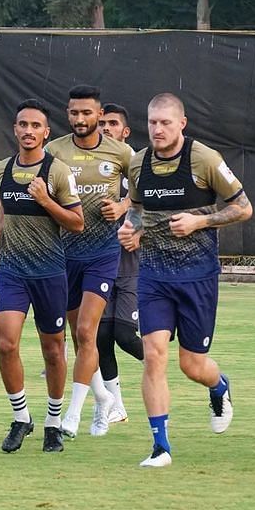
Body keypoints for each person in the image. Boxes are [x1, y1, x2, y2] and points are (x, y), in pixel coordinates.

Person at [118, 93, 251, 467]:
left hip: (197, 277)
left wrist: (200, 221)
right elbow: (139, 215)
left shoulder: (204, 159)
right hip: (154, 276)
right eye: (152, 122)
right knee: (154, 355)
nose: (157, 130)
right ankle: (161, 446)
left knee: (191, 365)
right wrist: (131, 231)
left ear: (182, 123)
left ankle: (219, 386)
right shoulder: (138, 164)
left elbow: (244, 207)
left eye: (165, 123)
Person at [0, 99, 83, 454]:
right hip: (12, 270)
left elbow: (76, 222)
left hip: (50, 272)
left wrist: (45, 200)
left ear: (46, 132)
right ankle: (20, 416)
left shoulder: (57, 172)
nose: (28, 131)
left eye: (35, 126)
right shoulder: (1, 170)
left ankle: (53, 423)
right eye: (22, 125)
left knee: (53, 349)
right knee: (6, 343)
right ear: (15, 130)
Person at [44, 85, 133, 439]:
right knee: (76, 338)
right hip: (62, 254)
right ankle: (102, 398)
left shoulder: (121, 152)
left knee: (85, 332)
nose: (80, 119)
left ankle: (73, 415)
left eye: (87, 113)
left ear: (99, 115)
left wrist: (123, 207)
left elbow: (140, 191)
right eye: (74, 113)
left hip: (102, 254)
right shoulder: (55, 150)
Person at [96, 102, 140, 423]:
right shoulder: (91, 168)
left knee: (125, 337)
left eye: (112, 124)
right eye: (102, 124)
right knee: (100, 339)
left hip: (130, 266)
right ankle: (116, 406)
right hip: (98, 264)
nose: (105, 129)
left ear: (124, 132)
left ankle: (162, 362)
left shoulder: (138, 166)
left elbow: (150, 207)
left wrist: (126, 208)